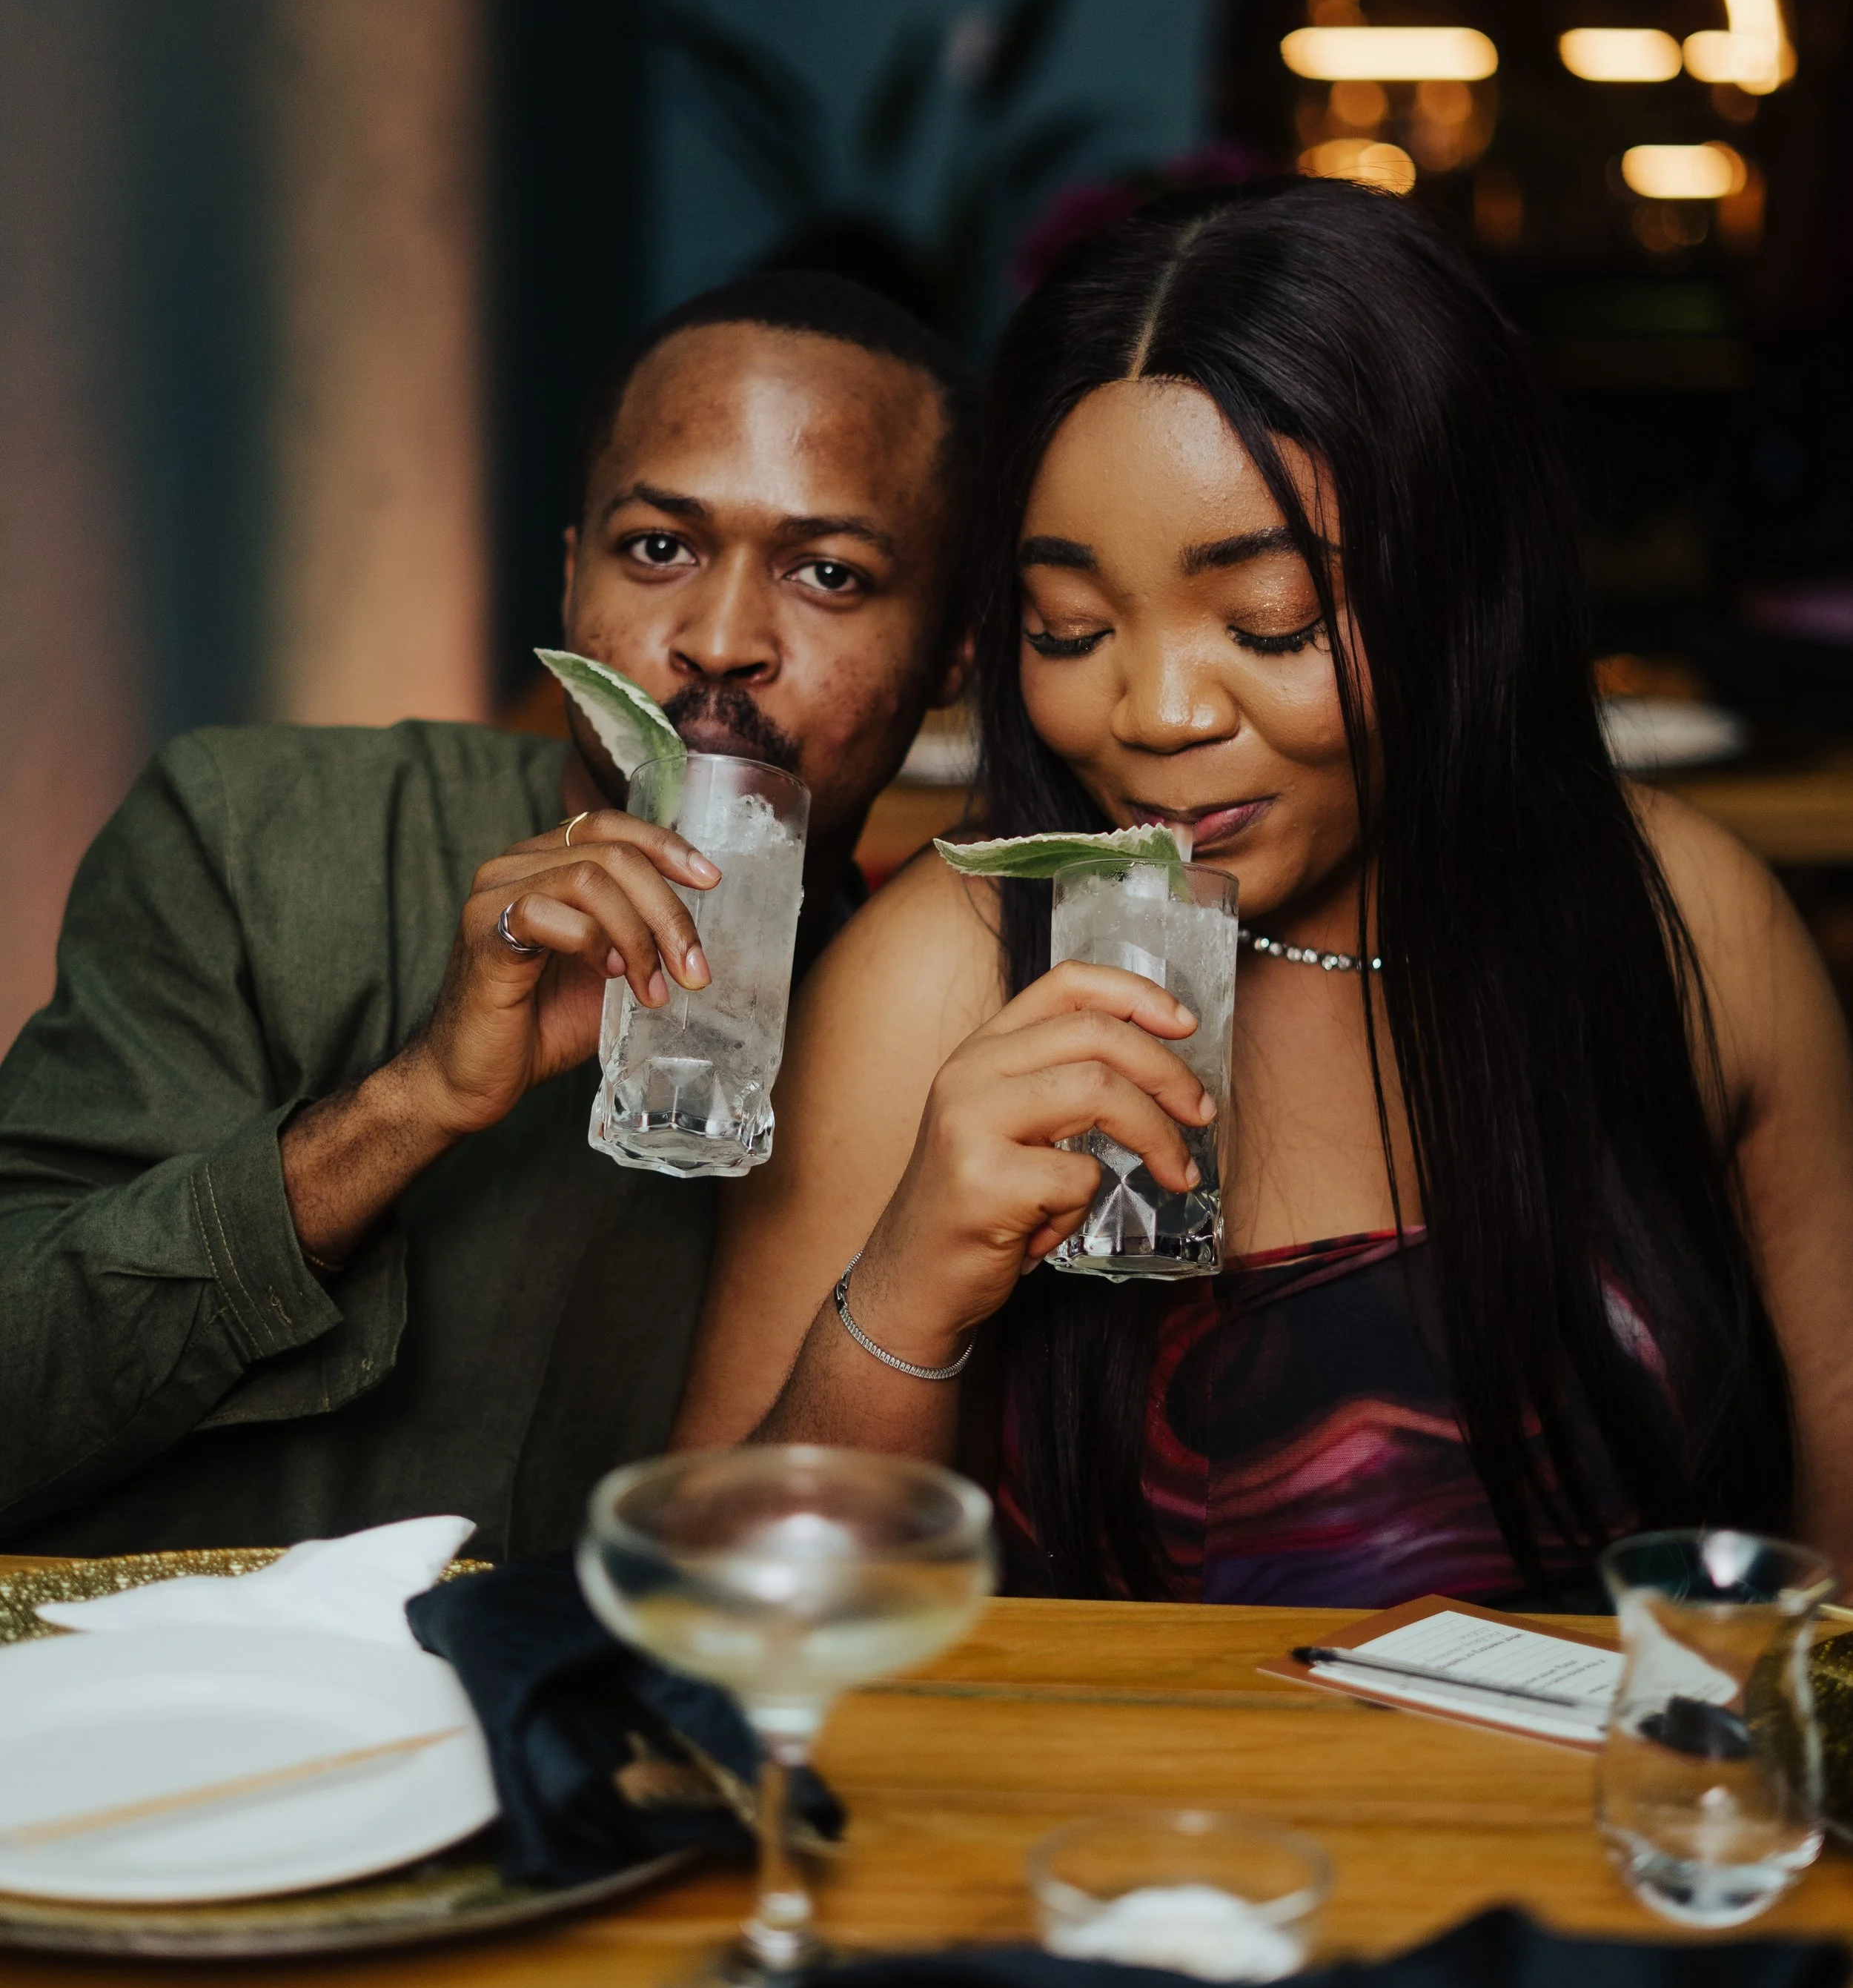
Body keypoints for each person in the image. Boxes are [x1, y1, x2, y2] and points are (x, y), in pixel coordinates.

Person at [675, 185, 1853, 1609]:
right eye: (1073, 630)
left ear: (1464, 586)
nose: (1157, 712)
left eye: (1269, 623)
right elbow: (709, 1630)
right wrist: (911, 1280)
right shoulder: (945, 975)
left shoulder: (1689, 920)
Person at [0, 271, 973, 1557]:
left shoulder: (924, 1027)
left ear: (955, 654)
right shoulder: (246, 834)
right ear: (573, 583)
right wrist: (413, 1104)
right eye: (660, 548)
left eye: (830, 573)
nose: (721, 637)